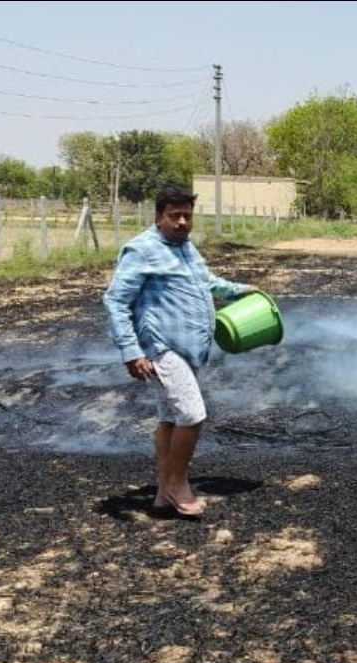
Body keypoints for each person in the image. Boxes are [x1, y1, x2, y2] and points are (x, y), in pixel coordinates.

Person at [103, 185, 254, 518]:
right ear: (159, 216)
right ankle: (177, 484)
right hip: (161, 347)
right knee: (192, 414)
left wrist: (240, 291)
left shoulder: (186, 248)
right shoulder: (142, 250)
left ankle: (161, 494)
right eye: (174, 216)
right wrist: (130, 350)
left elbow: (207, 283)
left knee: (170, 418)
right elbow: (115, 300)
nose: (182, 222)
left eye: (187, 215)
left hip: (189, 349)